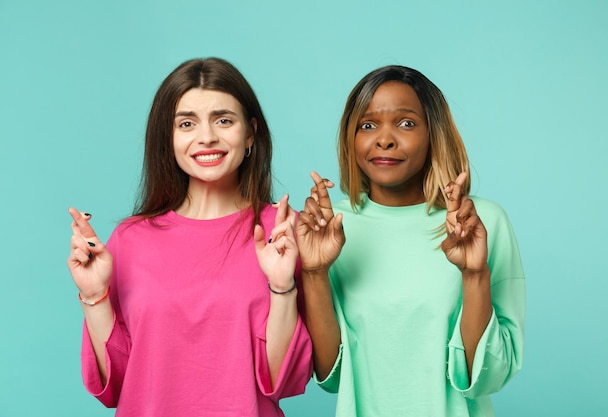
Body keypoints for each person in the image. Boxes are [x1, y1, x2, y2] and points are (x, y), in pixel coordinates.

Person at [67, 57, 312, 417]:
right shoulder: (129, 239)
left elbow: (284, 381)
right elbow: (116, 388)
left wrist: (281, 286)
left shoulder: (283, 233)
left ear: (250, 132)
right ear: (168, 139)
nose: (207, 136)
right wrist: (94, 296)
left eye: (223, 120)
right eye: (186, 123)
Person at [296, 65, 525, 417]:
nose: (384, 139)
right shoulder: (332, 228)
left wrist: (474, 274)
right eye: (367, 125)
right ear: (350, 138)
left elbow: (489, 376)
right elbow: (332, 377)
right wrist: (313, 272)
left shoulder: (481, 222)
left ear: (434, 133)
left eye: (405, 123)